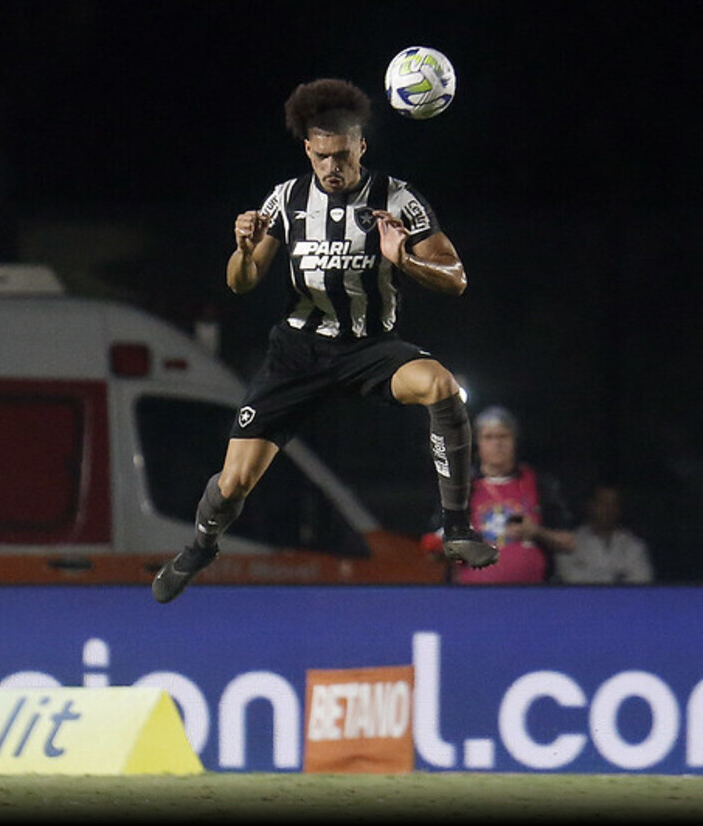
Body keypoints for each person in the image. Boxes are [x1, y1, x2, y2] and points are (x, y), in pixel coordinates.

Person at [152, 78, 497, 604]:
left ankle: (456, 528)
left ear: (361, 146)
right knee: (234, 483)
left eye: (340, 155)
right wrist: (244, 250)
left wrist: (403, 258)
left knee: (441, 386)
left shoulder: (397, 199)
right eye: (320, 157)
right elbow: (240, 282)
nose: (331, 168)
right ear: (307, 151)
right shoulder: (286, 199)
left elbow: (456, 277)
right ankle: (202, 544)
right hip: (297, 354)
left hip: (371, 349)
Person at [442, 405, 575, 584]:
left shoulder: (539, 483)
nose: (496, 444)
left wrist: (537, 532)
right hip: (472, 597)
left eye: (503, 436)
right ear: (477, 443)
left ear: (515, 440)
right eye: (488, 437)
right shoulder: (459, 488)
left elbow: (569, 543)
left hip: (534, 595)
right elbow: (435, 546)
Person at [555, 483, 653, 584]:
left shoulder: (634, 545)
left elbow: (642, 580)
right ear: (591, 506)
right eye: (602, 503)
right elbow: (572, 580)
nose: (608, 509)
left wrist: (593, 576)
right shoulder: (567, 543)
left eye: (613, 504)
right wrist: (617, 578)